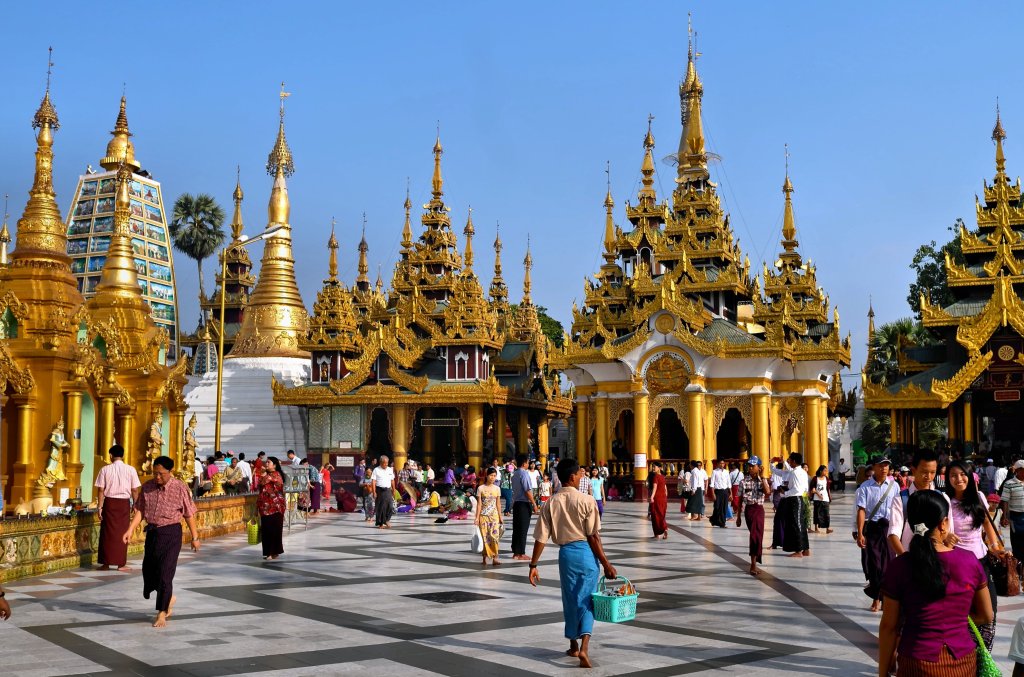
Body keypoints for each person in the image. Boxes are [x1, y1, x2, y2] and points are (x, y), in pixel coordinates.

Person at [877, 490, 993, 676]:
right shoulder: (969, 561)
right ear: (944, 523)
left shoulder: (900, 566)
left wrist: (882, 673)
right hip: (962, 660)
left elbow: (889, 626)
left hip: (916, 660)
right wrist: (956, 621)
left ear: (912, 523)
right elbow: (987, 615)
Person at [528, 458, 617, 669]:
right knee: (587, 599)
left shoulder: (551, 502)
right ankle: (584, 647)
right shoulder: (587, 501)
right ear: (571, 477)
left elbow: (541, 537)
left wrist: (533, 565)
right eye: (579, 474)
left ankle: (573, 644)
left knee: (570, 598)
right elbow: (594, 537)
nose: (582, 477)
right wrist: (606, 563)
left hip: (566, 556)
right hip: (586, 554)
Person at [122, 456, 200, 628]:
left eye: (161, 474)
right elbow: (140, 511)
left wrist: (195, 537)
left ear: (170, 472)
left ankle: (162, 612)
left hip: (171, 532)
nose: (157, 477)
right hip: (153, 532)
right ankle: (168, 597)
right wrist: (129, 530)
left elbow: (188, 513)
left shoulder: (179, 487)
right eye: (155, 473)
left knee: (166, 572)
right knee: (149, 570)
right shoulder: (148, 487)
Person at [945, 460, 1002, 651]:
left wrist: (994, 546)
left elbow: (987, 523)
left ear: (970, 476)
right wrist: (947, 537)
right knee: (963, 609)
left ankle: (983, 654)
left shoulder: (978, 497)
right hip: (958, 566)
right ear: (948, 478)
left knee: (989, 613)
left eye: (962, 474)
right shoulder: (946, 501)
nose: (959, 479)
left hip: (981, 561)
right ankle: (963, 648)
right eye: (953, 475)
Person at [855, 456, 897, 612]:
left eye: (887, 465)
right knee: (875, 565)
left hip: (889, 529)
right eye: (881, 465)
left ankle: (886, 598)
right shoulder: (865, 487)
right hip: (872, 528)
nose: (884, 468)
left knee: (890, 565)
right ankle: (876, 598)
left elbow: (898, 510)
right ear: (874, 467)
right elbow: (861, 510)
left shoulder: (894, 486)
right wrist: (860, 533)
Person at [94, 444, 141, 572]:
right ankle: (121, 564)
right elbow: (135, 490)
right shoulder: (131, 469)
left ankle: (106, 563)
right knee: (123, 532)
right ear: (123, 455)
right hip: (123, 504)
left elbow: (101, 490)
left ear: (111, 455)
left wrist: (100, 507)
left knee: (107, 534)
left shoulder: (105, 469)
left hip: (109, 503)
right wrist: (135, 504)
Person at [888, 449, 943, 556]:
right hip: (910, 559)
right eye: (924, 472)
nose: (929, 477)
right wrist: (905, 561)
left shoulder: (942, 498)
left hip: (937, 561)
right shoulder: (901, 499)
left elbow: (948, 531)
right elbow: (893, 534)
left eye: (933, 472)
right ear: (913, 470)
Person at [736, 457, 771, 576]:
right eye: (749, 466)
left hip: (759, 510)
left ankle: (753, 563)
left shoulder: (763, 480)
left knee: (757, 536)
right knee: (754, 535)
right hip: (749, 510)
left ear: (759, 467)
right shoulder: (743, 481)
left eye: (753, 466)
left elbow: (767, 492)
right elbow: (740, 499)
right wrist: (738, 517)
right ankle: (753, 563)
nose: (750, 468)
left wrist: (762, 477)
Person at [780, 453, 810, 557]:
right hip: (801, 498)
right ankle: (805, 549)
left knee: (796, 524)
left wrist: (785, 493)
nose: (789, 462)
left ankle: (798, 550)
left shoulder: (795, 473)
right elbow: (805, 488)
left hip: (794, 499)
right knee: (801, 523)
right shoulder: (803, 472)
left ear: (794, 461)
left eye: (790, 460)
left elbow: (797, 489)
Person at [257, 456, 286, 560]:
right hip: (265, 507)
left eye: (268, 462)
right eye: (266, 462)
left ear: (274, 465)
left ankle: (273, 552)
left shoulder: (275, 475)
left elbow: (262, 482)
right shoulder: (267, 475)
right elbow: (259, 485)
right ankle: (270, 552)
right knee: (267, 530)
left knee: (274, 530)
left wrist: (263, 474)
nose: (266, 464)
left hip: (275, 507)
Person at [474, 467, 503, 566]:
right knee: (485, 537)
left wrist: (500, 516)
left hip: (494, 516)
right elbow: (479, 504)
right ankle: (484, 558)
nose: (493, 478)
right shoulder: (480, 488)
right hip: (483, 516)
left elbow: (498, 504)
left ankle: (495, 557)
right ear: (487, 476)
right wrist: (477, 517)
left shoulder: (497, 489)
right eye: (491, 475)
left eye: (494, 476)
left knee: (494, 537)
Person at [511, 454, 537, 561]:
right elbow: (527, 490)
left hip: (516, 503)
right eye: (528, 462)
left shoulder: (514, 474)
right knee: (523, 529)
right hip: (523, 504)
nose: (528, 464)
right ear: (524, 463)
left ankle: (515, 552)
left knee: (516, 528)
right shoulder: (524, 474)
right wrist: (534, 503)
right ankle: (521, 553)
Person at [999, 460, 1024, 565]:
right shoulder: (1009, 484)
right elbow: (1004, 501)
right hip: (1016, 517)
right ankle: (1017, 567)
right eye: (1022, 470)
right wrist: (1004, 517)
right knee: (1017, 542)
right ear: (1017, 471)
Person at [371, 455, 397, 529]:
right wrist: (374, 492)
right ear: (381, 462)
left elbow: (392, 480)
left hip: (388, 490)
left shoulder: (389, 469)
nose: (386, 464)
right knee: (381, 507)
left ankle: (387, 520)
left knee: (391, 506)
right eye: (384, 463)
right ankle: (381, 523)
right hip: (380, 490)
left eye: (387, 463)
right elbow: (373, 481)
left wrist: (394, 490)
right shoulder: (376, 470)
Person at [648, 460, 668, 539]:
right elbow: (665, 489)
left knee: (655, 515)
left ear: (659, 468)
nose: (653, 468)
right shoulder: (663, 477)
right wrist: (665, 496)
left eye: (654, 467)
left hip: (657, 498)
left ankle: (657, 534)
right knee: (661, 515)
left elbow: (655, 487)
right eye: (653, 466)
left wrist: (652, 497)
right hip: (663, 498)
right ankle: (664, 528)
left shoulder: (655, 476)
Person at [709, 459, 731, 528]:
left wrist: (731, 493)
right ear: (718, 464)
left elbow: (729, 483)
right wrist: (713, 494)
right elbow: (712, 483)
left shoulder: (726, 472)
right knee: (717, 507)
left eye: (723, 463)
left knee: (724, 507)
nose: (722, 465)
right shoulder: (714, 472)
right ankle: (713, 519)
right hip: (718, 492)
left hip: (725, 491)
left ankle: (722, 523)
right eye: (720, 463)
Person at [811, 465, 832, 534]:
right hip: (817, 499)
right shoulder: (815, 478)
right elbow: (813, 489)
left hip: (825, 498)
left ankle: (827, 528)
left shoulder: (826, 479)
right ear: (821, 471)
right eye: (825, 470)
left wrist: (829, 496)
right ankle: (816, 527)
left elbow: (827, 489)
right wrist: (818, 494)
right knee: (817, 513)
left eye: (826, 470)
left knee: (826, 513)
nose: (826, 472)